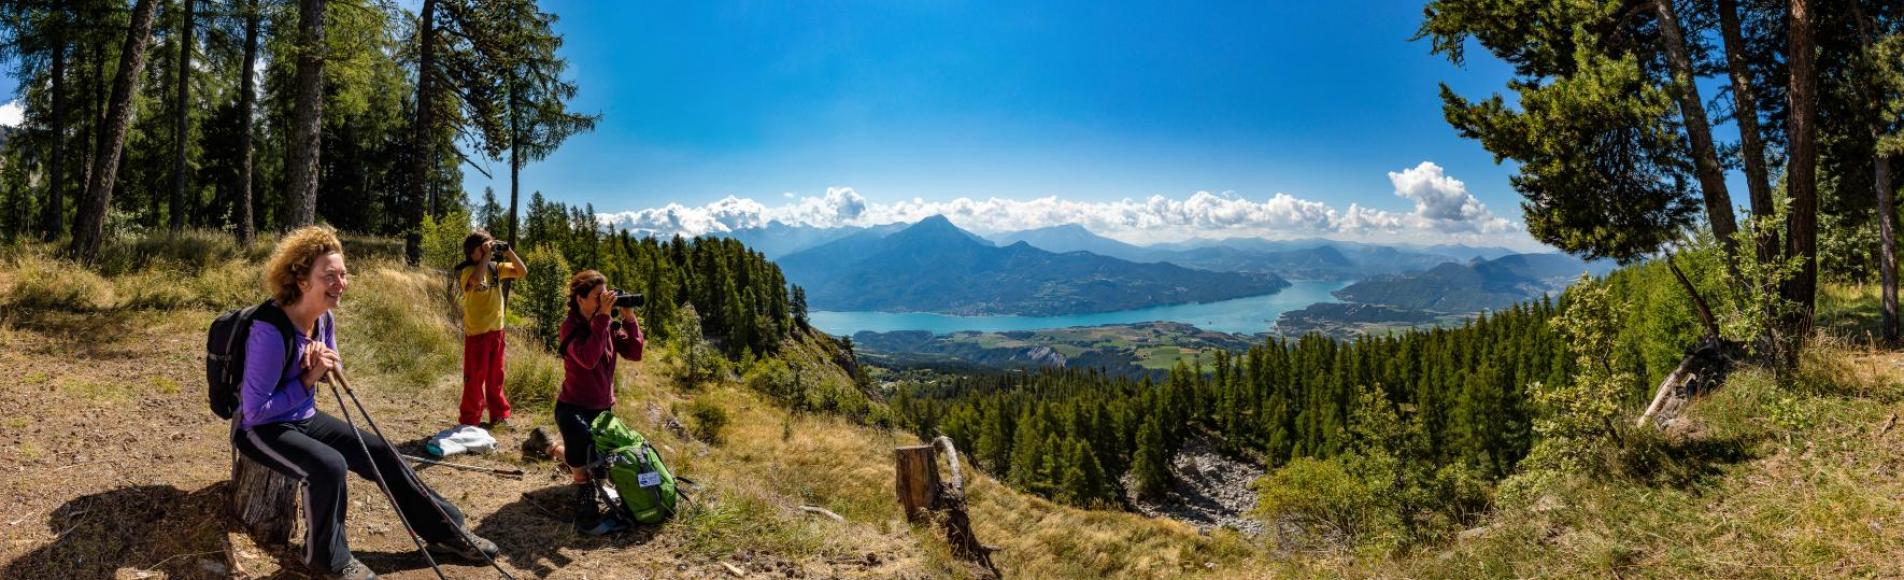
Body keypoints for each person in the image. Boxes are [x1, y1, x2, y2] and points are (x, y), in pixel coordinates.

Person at [230, 226, 499, 580]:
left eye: (343, 274)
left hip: (302, 416)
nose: (340, 282)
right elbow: (255, 410)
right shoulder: (270, 330)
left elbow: (335, 364)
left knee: (383, 452)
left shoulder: (323, 316)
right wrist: (308, 378)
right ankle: (327, 560)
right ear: (301, 280)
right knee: (329, 466)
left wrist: (323, 361)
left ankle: (445, 530)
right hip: (261, 429)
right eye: (329, 276)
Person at [553, 270, 645, 531]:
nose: (604, 302)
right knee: (581, 441)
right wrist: (603, 317)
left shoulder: (608, 325)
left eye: (606, 296)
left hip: (603, 408)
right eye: (598, 297)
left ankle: (549, 446)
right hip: (573, 407)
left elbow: (635, 352)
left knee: (603, 463)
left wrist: (629, 318)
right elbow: (588, 358)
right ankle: (582, 488)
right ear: (580, 299)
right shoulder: (570, 327)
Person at [454, 230, 527, 428]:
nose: (489, 250)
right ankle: (470, 419)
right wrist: (486, 255)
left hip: (497, 331)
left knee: (496, 376)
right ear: (472, 252)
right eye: (484, 247)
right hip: (477, 333)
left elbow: (522, 272)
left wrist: (508, 251)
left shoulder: (496, 268)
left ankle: (499, 415)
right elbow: (476, 281)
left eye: (490, 246)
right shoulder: (468, 271)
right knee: (474, 379)